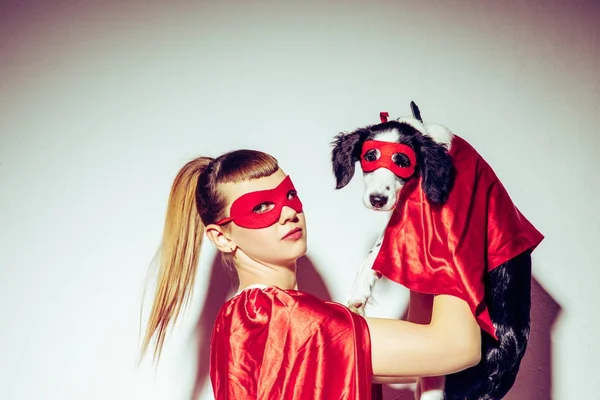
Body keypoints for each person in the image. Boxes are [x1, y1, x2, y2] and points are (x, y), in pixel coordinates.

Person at [139, 149, 482, 400]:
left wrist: (420, 235)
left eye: (289, 195)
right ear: (221, 236)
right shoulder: (280, 319)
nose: (288, 212)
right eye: (260, 207)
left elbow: (424, 357)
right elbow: (457, 347)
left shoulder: (241, 322)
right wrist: (450, 206)